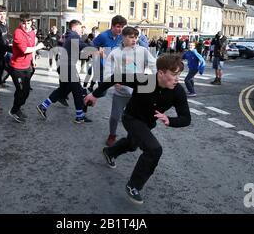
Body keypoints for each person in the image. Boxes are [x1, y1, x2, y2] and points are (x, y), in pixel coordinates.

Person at [84, 54, 191, 205]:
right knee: (154, 150)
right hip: (131, 118)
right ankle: (134, 185)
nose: (177, 79)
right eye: (173, 74)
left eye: (179, 74)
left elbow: (186, 118)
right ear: (161, 73)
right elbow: (115, 77)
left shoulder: (177, 91)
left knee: (132, 144)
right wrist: (95, 94)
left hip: (147, 124)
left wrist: (170, 120)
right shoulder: (144, 80)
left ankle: (110, 152)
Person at [104, 26, 157, 147]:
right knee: (115, 116)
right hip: (121, 92)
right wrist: (114, 81)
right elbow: (108, 70)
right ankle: (112, 135)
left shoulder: (142, 51)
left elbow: (154, 65)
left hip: (137, 92)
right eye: (131, 37)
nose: (134, 39)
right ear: (123, 37)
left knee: (138, 117)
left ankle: (134, 137)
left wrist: (155, 79)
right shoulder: (115, 52)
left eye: (136, 37)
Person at [36, 20, 94, 124]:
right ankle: (80, 116)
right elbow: (85, 47)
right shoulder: (74, 36)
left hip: (63, 66)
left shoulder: (67, 36)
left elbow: (76, 52)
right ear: (75, 27)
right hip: (68, 66)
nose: (82, 31)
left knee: (63, 89)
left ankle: (43, 106)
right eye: (80, 28)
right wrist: (93, 46)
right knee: (77, 91)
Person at [8, 14, 44, 123]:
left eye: (28, 23)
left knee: (26, 91)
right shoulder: (18, 33)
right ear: (20, 22)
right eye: (24, 23)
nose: (26, 25)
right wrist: (38, 47)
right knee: (21, 90)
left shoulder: (32, 32)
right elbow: (25, 50)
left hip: (27, 66)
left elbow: (31, 49)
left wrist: (33, 60)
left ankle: (17, 107)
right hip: (16, 67)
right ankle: (14, 110)